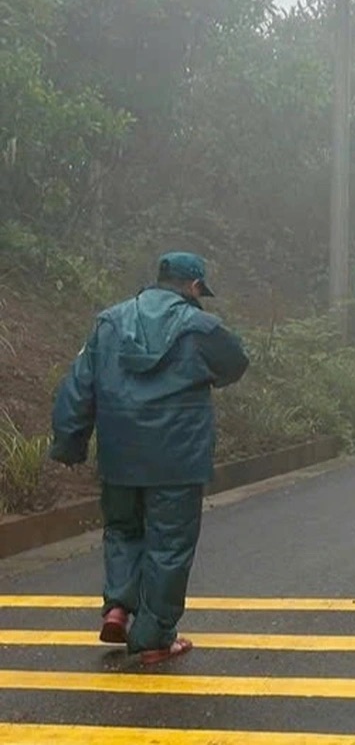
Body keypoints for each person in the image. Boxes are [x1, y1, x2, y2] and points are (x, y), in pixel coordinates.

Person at [49, 251, 249, 665]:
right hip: (177, 459)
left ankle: (118, 609)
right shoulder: (201, 327)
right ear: (194, 286)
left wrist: (70, 442)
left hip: (120, 455)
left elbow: (78, 386)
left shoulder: (109, 322)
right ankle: (155, 637)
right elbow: (235, 364)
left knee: (123, 531)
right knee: (169, 545)